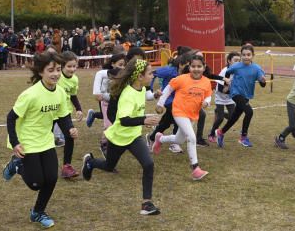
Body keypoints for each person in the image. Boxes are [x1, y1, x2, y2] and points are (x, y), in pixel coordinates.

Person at [81, 56, 163, 216]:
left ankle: (147, 204)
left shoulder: (142, 89)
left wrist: (142, 120)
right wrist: (144, 119)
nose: (152, 76)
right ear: (139, 76)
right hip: (118, 137)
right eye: (149, 73)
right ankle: (90, 162)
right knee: (109, 166)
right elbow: (124, 120)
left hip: (134, 137)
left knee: (148, 164)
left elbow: (134, 115)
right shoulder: (127, 94)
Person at [3, 51, 75, 229]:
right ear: (41, 72)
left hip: (46, 140)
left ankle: (37, 212)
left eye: (58, 69)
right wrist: (15, 143)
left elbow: (63, 116)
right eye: (51, 70)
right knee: (36, 184)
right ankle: (17, 165)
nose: (56, 74)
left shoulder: (60, 92)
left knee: (51, 178)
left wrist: (70, 129)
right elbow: (11, 118)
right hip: (27, 141)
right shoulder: (30, 95)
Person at [152, 53, 212, 180]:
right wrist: (160, 104)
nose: (196, 69)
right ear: (189, 67)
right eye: (193, 66)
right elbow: (168, 89)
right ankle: (195, 169)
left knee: (179, 140)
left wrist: (207, 101)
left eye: (199, 66)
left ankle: (160, 139)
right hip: (179, 111)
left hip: (192, 114)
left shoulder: (206, 82)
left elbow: (208, 95)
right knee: (191, 137)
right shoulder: (182, 79)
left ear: (204, 67)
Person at [215, 44, 267, 148]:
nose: (246, 57)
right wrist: (226, 85)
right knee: (249, 112)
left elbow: (262, 84)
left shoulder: (257, 68)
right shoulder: (236, 66)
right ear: (241, 55)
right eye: (244, 55)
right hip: (236, 93)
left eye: (248, 55)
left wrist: (262, 81)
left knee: (234, 117)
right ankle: (243, 137)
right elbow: (227, 73)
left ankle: (221, 132)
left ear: (253, 56)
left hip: (246, 95)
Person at [56, 51, 84, 179]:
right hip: (50, 112)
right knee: (44, 138)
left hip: (64, 112)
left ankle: (66, 166)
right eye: (69, 66)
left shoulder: (75, 79)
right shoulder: (56, 76)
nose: (72, 69)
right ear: (62, 66)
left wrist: (78, 108)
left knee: (70, 136)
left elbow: (73, 95)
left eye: (74, 66)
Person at [207, 51, 240, 145]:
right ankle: (212, 133)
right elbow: (222, 89)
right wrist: (232, 90)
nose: (238, 62)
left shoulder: (238, 71)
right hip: (220, 96)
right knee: (220, 118)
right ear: (229, 61)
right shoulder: (225, 71)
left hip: (230, 97)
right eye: (235, 60)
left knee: (234, 117)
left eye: (239, 60)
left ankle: (218, 112)